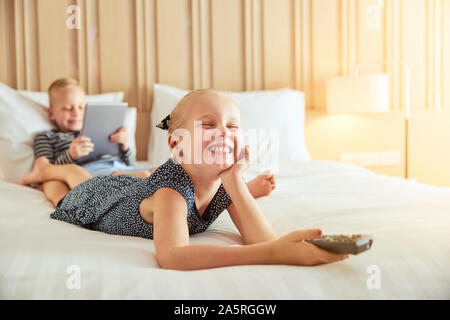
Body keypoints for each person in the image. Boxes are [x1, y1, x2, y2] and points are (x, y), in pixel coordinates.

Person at [20, 89, 349, 270]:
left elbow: (261, 237)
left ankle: (68, 173)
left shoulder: (223, 182)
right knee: (69, 188)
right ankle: (46, 171)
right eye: (208, 125)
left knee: (127, 177)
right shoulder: (171, 196)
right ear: (176, 144)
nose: (223, 132)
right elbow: (173, 256)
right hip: (104, 200)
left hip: (135, 187)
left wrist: (235, 179)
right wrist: (273, 254)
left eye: (232, 126)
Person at [28, 78, 276, 206]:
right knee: (141, 176)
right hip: (90, 172)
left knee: (157, 171)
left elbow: (130, 163)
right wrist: (70, 154)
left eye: (81, 107)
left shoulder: (98, 128)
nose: (75, 112)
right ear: (51, 113)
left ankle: (234, 190)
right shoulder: (47, 137)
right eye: (67, 108)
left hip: (121, 167)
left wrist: (124, 147)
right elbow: (43, 169)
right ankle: (230, 194)